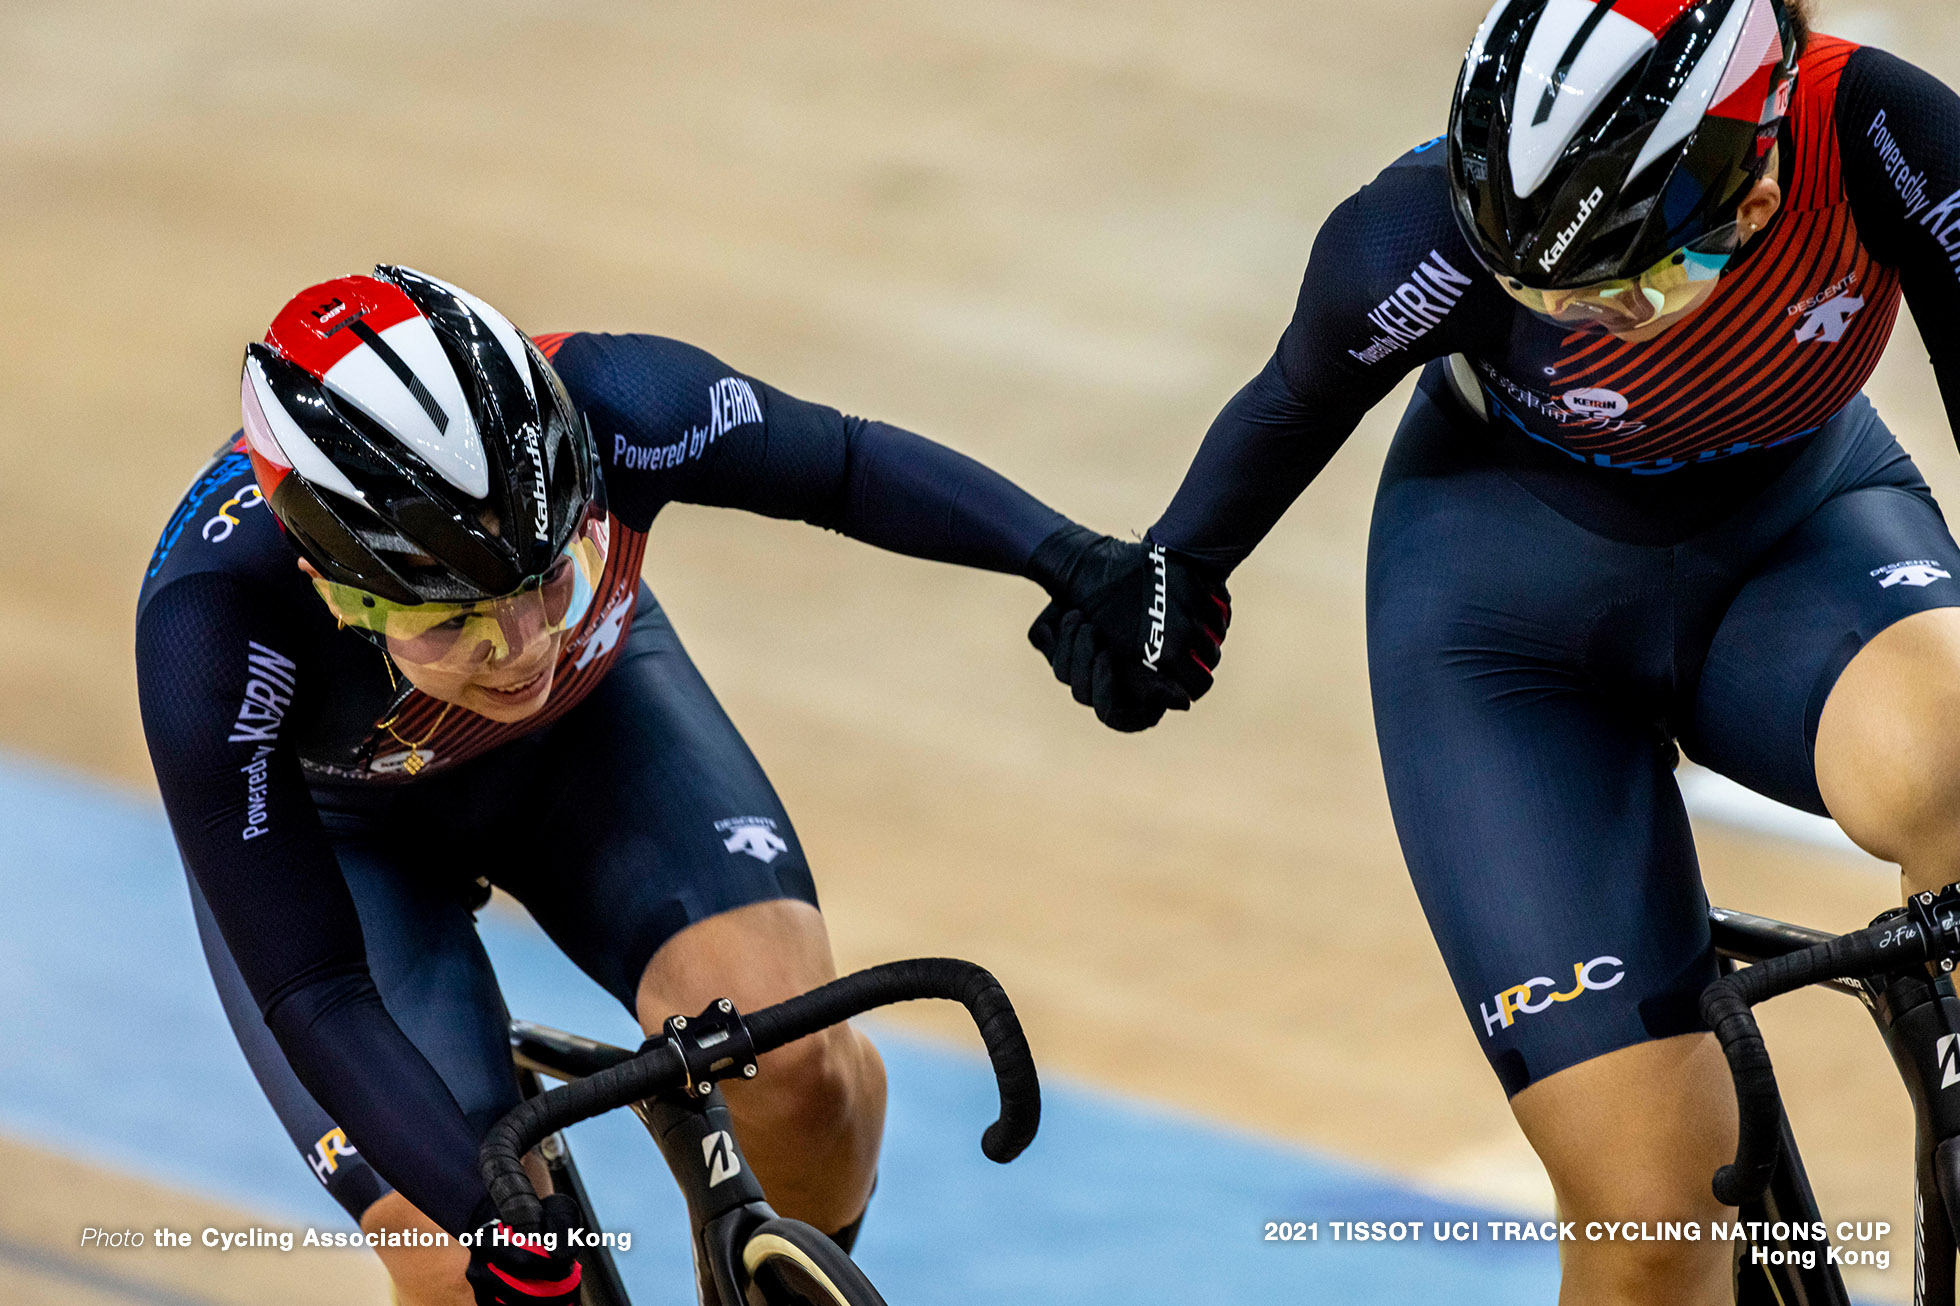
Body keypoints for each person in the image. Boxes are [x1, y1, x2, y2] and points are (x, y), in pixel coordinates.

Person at [1031, 1, 1960, 1300]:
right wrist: (1169, 579)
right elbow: (1297, 397)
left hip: (1801, 542)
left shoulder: (1880, 132)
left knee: (1957, 766)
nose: (1592, 319)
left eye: (1627, 284)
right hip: (1508, 623)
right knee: (1653, 1225)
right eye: (1540, 291)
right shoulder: (1409, 236)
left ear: (1755, 178)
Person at [135, 265, 1093, 1305]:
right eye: (459, 624)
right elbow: (315, 989)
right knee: (451, 1258)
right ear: (334, 592)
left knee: (804, 1073)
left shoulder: (619, 406)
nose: (524, 648)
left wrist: (1079, 563)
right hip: (345, 835)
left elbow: (845, 466)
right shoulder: (211, 626)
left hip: (585, 741)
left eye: (551, 576)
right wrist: (489, 1216)